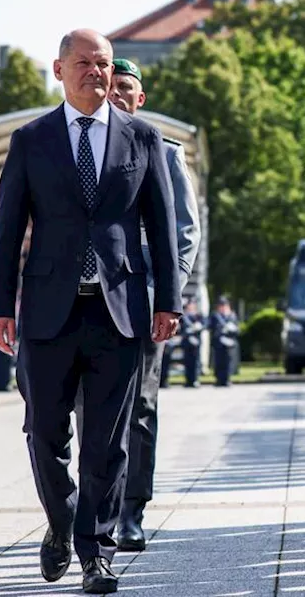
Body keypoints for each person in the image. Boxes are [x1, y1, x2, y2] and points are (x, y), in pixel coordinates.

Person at [0, 29, 181, 595]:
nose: (95, 72)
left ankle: (95, 548)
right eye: (83, 63)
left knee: (108, 439)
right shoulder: (30, 140)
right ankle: (60, 523)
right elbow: (7, 230)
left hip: (118, 311)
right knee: (44, 431)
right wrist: (0, 306)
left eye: (103, 63)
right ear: (59, 69)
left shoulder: (143, 138)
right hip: (48, 311)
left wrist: (167, 301)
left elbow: (163, 229)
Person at [105, 57, 201, 553]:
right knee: (89, 408)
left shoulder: (162, 151)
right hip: (92, 298)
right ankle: (96, 505)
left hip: (142, 298)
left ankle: (131, 510)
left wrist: (167, 292)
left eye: (126, 88)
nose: (116, 94)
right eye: (111, 86)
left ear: (140, 98)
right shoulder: (85, 147)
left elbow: (185, 231)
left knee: (140, 405)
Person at [208, 297, 240, 387]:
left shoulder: (232, 316)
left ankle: (227, 379)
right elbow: (210, 327)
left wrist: (231, 329)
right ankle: (219, 380)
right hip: (219, 342)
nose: (223, 308)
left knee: (228, 362)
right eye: (221, 306)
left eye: (224, 306)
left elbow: (237, 330)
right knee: (218, 362)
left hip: (229, 343)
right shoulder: (215, 316)